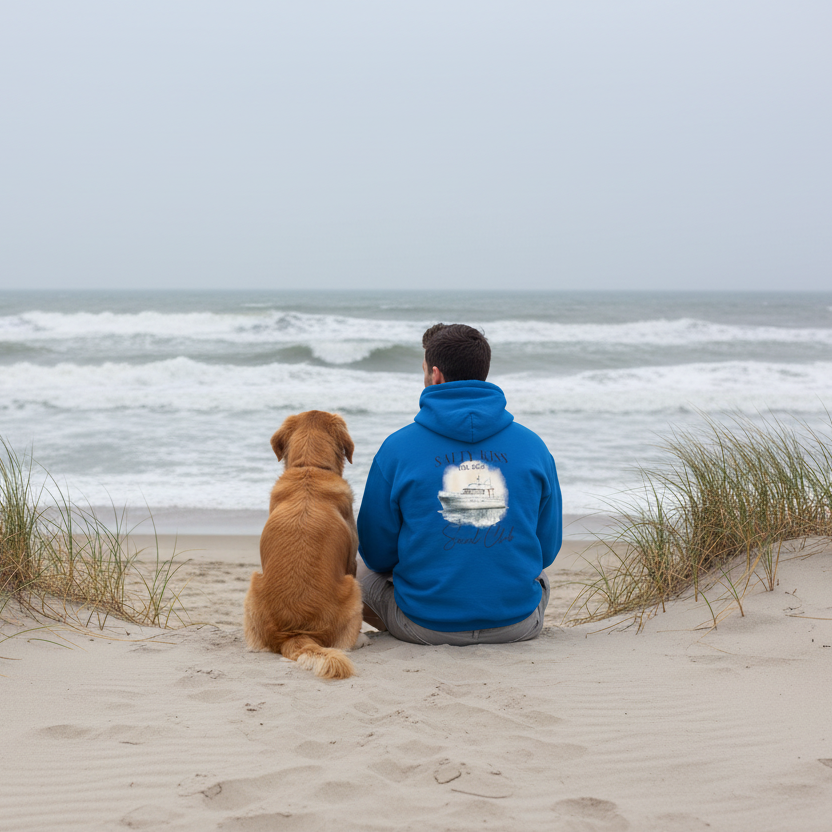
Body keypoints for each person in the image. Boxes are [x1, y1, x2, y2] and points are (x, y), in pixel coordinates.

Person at [356, 323, 562, 645]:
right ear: (483, 372)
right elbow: (546, 549)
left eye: (423, 371)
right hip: (517, 624)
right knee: (537, 574)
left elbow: (376, 555)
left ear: (435, 375)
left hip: (425, 627)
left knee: (354, 573)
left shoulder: (396, 448)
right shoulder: (534, 446)